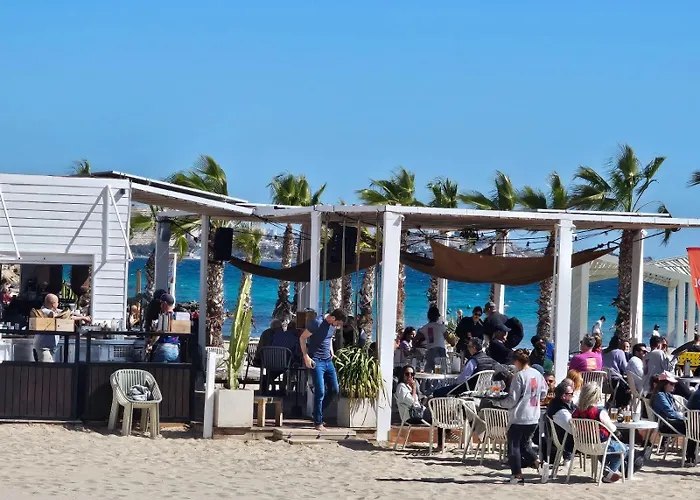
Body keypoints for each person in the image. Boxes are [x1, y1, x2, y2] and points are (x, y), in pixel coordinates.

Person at [496, 349, 548, 484]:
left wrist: (498, 402)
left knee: (513, 446)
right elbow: (544, 393)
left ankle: (517, 475)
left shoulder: (519, 376)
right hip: (533, 416)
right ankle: (538, 463)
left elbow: (512, 400)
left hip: (520, 415)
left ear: (517, 361)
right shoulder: (537, 374)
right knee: (524, 445)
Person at [572, 382, 628, 483]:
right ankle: (609, 473)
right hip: (599, 444)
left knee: (609, 450)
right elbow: (612, 428)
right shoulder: (599, 412)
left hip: (582, 444)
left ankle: (607, 469)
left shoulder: (576, 412)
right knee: (624, 448)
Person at [300, 308, 346, 431]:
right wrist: (306, 356)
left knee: (334, 389)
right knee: (320, 391)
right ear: (333, 318)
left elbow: (329, 337)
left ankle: (316, 412)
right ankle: (318, 422)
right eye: (338, 323)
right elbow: (302, 338)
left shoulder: (332, 325)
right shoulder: (317, 323)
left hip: (328, 361)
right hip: (317, 361)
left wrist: (331, 350)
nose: (337, 326)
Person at [651, 372, 697, 465]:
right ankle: (690, 457)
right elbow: (670, 413)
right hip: (665, 425)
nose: (674, 386)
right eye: (671, 384)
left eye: (674, 384)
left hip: (671, 422)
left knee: (694, 426)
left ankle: (691, 456)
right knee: (693, 427)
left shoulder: (667, 394)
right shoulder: (660, 396)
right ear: (664, 384)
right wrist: (685, 417)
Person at [33, 293, 91, 363]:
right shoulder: (44, 311)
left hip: (50, 347)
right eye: (57, 302)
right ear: (53, 304)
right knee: (47, 367)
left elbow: (69, 314)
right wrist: (82, 318)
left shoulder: (55, 310)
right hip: (43, 348)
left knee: (49, 367)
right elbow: (64, 317)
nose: (58, 304)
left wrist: (83, 316)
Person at [545, 379, 576, 469]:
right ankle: (567, 459)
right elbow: (572, 429)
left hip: (564, 436)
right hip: (563, 440)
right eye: (571, 394)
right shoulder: (560, 411)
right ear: (564, 396)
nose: (573, 396)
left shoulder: (561, 403)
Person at [145, 293, 180, 363]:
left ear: (165, 303)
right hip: (176, 349)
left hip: (164, 349)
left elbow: (158, 333)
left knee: (158, 369)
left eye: (161, 303)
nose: (160, 306)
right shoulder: (177, 317)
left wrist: (150, 345)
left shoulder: (164, 317)